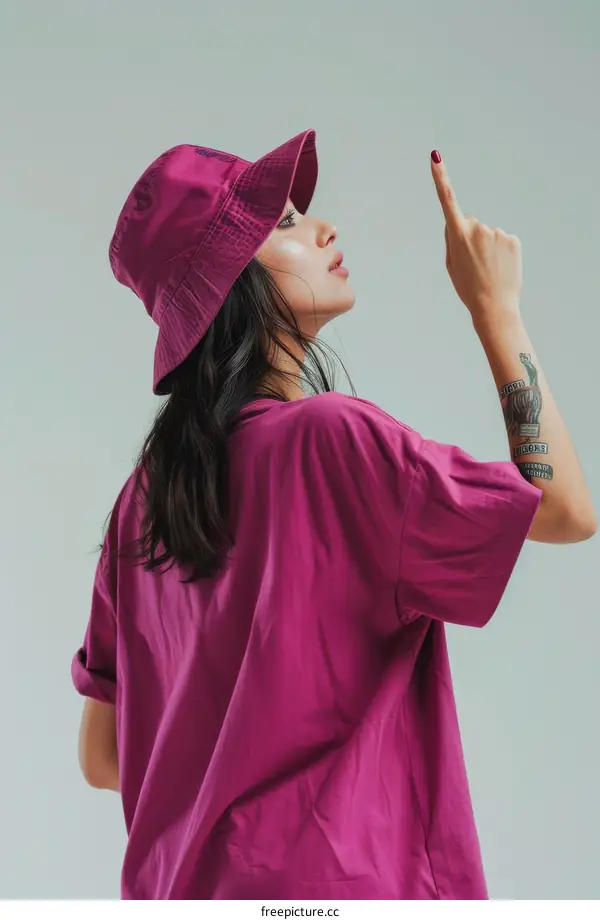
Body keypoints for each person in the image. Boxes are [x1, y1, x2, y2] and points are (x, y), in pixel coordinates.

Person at [72, 130, 596, 901]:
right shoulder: (331, 439)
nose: (325, 228)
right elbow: (564, 508)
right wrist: (497, 310)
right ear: (229, 281)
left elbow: (103, 758)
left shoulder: (140, 505)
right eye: (284, 223)